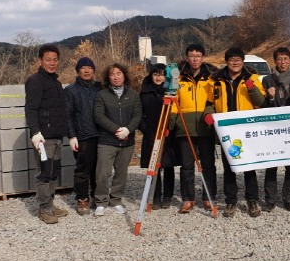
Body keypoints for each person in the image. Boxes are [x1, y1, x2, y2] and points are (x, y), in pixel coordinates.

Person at [204, 47, 266, 218]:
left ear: (243, 61)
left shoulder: (253, 79)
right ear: (226, 61)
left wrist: (252, 89)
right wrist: (208, 113)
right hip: (227, 131)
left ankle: (252, 200)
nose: (235, 62)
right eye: (232, 59)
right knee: (229, 166)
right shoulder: (215, 80)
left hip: (247, 130)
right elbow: (209, 101)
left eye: (239, 59)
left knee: (250, 166)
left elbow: (261, 102)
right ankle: (231, 200)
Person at [171, 44, 218, 214]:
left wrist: (210, 112)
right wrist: (173, 122)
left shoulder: (211, 77)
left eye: (198, 56)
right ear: (186, 58)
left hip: (205, 127)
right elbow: (174, 101)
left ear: (203, 58)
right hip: (185, 127)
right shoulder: (178, 77)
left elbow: (214, 100)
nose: (195, 59)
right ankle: (187, 198)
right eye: (192, 55)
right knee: (186, 165)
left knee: (208, 164)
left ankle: (209, 197)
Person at [25, 44, 69, 224]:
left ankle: (50, 204)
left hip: (57, 136)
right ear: (40, 60)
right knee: (44, 172)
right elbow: (31, 109)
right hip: (43, 138)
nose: (52, 63)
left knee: (54, 171)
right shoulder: (35, 81)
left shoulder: (56, 83)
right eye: (48, 59)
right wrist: (35, 132)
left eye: (55, 60)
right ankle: (44, 209)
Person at [93, 63, 142, 216]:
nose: (116, 76)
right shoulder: (102, 95)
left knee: (121, 172)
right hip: (107, 140)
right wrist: (116, 130)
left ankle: (115, 200)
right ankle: (100, 201)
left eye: (119, 73)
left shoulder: (133, 95)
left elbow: (137, 115)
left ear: (124, 75)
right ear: (108, 77)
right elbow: (99, 116)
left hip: (127, 141)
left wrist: (128, 129)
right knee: (103, 172)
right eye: (112, 74)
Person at [261, 47, 290, 212]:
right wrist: (269, 96)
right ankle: (270, 200)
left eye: (285, 59)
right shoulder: (267, 80)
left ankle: (289, 200)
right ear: (274, 62)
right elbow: (261, 105)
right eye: (279, 59)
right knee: (271, 165)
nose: (282, 62)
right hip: (273, 128)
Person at [64, 56, 101, 215]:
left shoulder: (100, 88)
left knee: (98, 169)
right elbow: (67, 114)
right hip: (82, 136)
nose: (86, 70)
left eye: (89, 68)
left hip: (100, 135)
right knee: (83, 169)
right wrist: (72, 136)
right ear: (78, 71)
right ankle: (82, 199)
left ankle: (96, 196)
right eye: (83, 68)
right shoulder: (70, 90)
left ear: (93, 70)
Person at [139, 64, 177, 210]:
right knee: (154, 165)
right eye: (155, 74)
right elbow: (139, 113)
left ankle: (167, 196)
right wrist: (146, 129)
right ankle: (155, 196)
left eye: (161, 74)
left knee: (168, 165)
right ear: (151, 76)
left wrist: (170, 128)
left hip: (168, 132)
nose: (158, 77)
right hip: (151, 133)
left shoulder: (170, 91)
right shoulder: (144, 92)